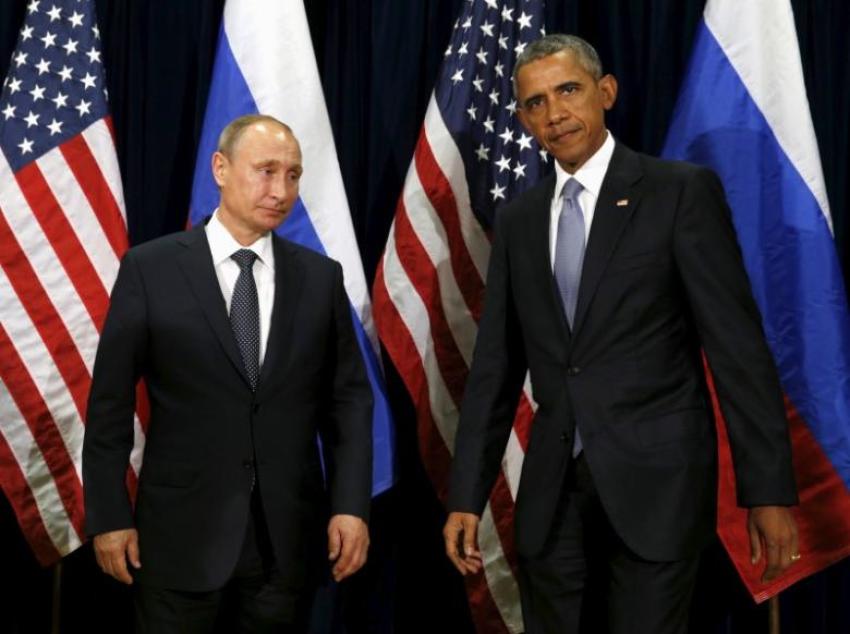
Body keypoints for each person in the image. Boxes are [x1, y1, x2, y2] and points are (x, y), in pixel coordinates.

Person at [443, 34, 799, 634]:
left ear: (605, 92)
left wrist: (768, 492)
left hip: (656, 491)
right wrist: (465, 494)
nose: (554, 113)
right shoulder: (520, 220)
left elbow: (737, 351)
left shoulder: (679, 193)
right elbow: (496, 369)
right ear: (524, 120)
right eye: (534, 103)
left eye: (568, 91)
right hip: (552, 500)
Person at [83, 114, 373, 633]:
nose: (280, 189)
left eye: (292, 174)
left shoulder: (320, 278)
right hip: (175, 543)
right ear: (220, 168)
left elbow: (349, 404)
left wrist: (351, 506)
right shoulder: (150, 269)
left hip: (285, 546)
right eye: (265, 171)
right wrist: (109, 516)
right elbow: (108, 406)